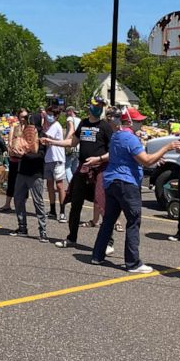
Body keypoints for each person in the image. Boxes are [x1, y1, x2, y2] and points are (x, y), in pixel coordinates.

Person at [89, 108, 180, 270]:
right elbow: (145, 160)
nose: (142, 123)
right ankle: (132, 262)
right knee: (133, 221)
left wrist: (155, 160)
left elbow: (130, 158)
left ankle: (97, 255)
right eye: (139, 121)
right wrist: (166, 148)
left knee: (109, 220)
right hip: (126, 183)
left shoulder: (117, 135)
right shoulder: (129, 138)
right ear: (130, 122)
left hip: (112, 182)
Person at [52, 97, 114, 250]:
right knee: (75, 204)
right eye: (96, 105)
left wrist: (98, 159)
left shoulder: (105, 127)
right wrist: (53, 142)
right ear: (90, 107)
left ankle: (108, 242)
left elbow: (114, 152)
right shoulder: (83, 123)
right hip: (83, 169)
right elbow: (72, 142)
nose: (99, 108)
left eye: (101, 106)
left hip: (99, 169)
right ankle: (71, 238)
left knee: (102, 205)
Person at [9, 117, 49, 242]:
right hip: (22, 172)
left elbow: (40, 156)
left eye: (30, 122)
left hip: (36, 174)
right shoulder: (22, 133)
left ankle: (43, 232)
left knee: (38, 203)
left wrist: (24, 155)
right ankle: (22, 228)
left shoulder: (42, 136)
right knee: (18, 199)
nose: (28, 125)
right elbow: (16, 146)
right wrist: (13, 150)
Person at [0, 109, 30, 213]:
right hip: (14, 158)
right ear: (18, 117)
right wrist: (12, 149)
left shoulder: (29, 128)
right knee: (12, 181)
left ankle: (22, 206)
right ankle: (7, 204)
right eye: (21, 116)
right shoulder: (14, 127)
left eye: (25, 116)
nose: (23, 119)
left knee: (24, 183)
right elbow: (10, 142)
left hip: (25, 158)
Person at [43, 106, 67, 221]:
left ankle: (62, 211)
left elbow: (46, 138)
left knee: (59, 185)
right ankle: (53, 210)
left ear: (56, 116)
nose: (49, 116)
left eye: (50, 114)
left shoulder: (56, 126)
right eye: (48, 114)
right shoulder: (51, 126)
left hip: (57, 158)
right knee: (49, 185)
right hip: (49, 158)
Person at [64, 106, 81, 184]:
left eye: (67, 111)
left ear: (71, 111)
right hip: (78, 147)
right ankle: (76, 184)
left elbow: (71, 130)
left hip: (71, 146)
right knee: (74, 168)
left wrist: (65, 141)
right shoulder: (80, 120)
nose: (66, 113)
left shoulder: (70, 119)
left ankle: (71, 185)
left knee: (67, 167)